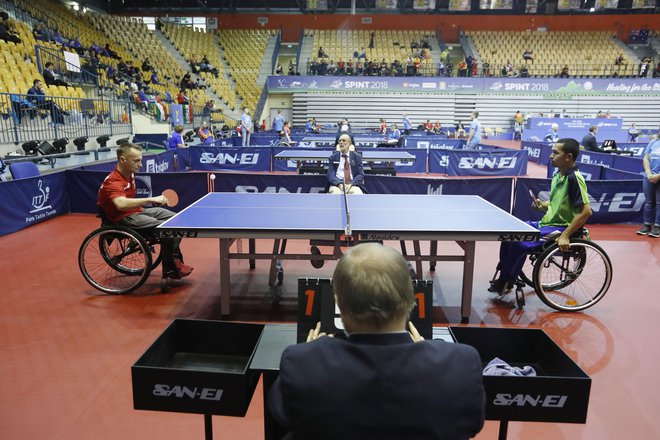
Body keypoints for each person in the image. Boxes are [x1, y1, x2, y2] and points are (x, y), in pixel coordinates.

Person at [268, 243, 486, 440]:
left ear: (338, 303)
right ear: (412, 298)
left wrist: (310, 353)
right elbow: (471, 423)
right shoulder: (461, 364)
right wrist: (426, 351)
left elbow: (282, 413)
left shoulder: (301, 363)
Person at [489, 139, 592, 293]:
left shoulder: (574, 179)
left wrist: (565, 236)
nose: (551, 156)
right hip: (547, 224)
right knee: (509, 233)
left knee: (521, 242)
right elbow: (558, 204)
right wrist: (544, 205)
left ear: (568, 157)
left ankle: (507, 280)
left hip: (561, 228)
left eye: (556, 153)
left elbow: (586, 212)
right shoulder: (559, 175)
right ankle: (505, 276)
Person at [97, 143, 193, 280]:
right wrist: (151, 199)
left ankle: (175, 259)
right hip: (122, 218)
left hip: (135, 212)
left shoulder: (128, 174)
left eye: (140, 160)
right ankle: (171, 268)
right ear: (123, 160)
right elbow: (120, 204)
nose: (140, 164)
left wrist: (149, 202)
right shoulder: (113, 181)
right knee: (167, 228)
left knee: (176, 220)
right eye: (136, 160)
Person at [636, 134, 660, 238]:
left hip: (659, 177)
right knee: (649, 202)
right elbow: (646, 158)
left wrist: (658, 176)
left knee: (659, 203)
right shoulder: (653, 142)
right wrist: (649, 173)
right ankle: (647, 225)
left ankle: (657, 227)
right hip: (648, 177)